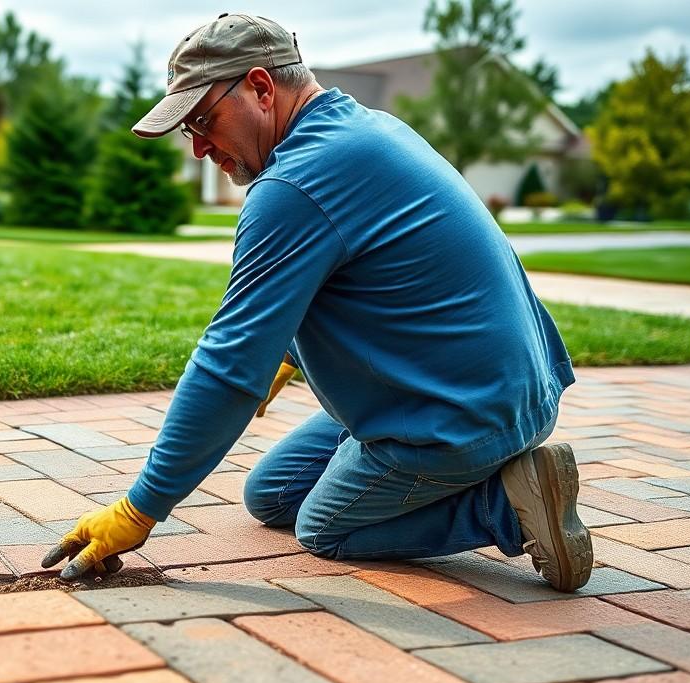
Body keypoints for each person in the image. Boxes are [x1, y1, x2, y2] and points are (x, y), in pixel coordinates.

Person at [42, 13, 593, 592]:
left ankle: (506, 504)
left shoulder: (295, 185)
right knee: (272, 494)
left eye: (203, 120)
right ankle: (469, 470)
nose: (200, 147)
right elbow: (376, 285)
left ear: (260, 88)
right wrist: (290, 357)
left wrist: (139, 509)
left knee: (324, 527)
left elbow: (228, 366)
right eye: (189, 130)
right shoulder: (367, 130)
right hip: (511, 387)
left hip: (461, 414)